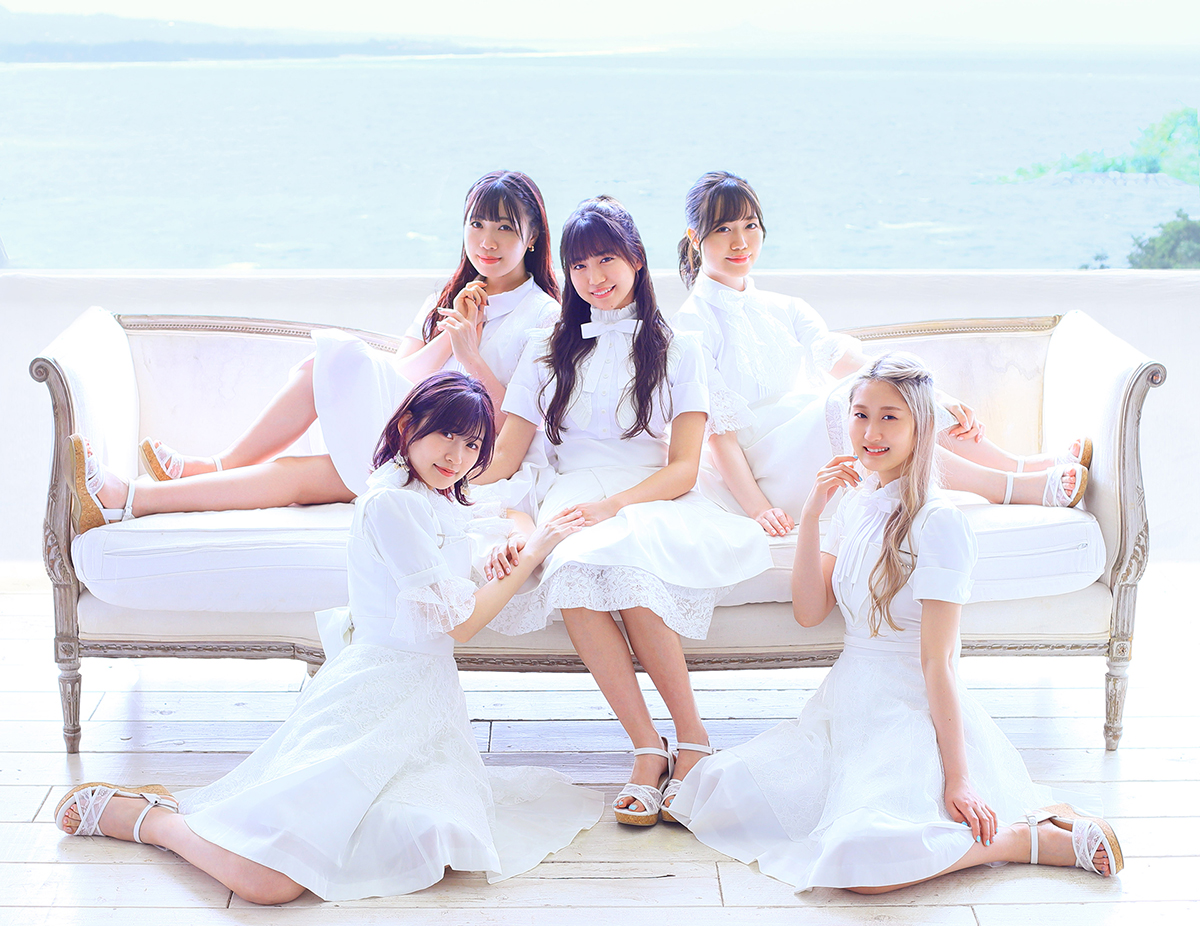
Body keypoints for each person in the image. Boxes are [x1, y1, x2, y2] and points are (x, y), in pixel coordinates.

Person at [56, 372, 602, 904]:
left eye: (472, 444)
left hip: (425, 703)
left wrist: (506, 546)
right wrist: (532, 551)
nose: (456, 455)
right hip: (375, 695)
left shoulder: (435, 497)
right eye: (446, 434)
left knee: (430, 839)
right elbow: (459, 624)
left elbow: (491, 525)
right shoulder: (391, 503)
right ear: (408, 424)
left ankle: (179, 820)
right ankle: (151, 821)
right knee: (270, 884)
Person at [667, 353, 1122, 892]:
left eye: (889, 417)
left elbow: (939, 663)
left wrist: (958, 778)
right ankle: (1013, 826)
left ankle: (1027, 839)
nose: (871, 432)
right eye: (861, 415)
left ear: (920, 427)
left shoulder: (939, 522)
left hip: (910, 709)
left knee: (859, 861)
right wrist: (812, 512)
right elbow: (810, 612)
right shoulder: (856, 503)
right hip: (846, 705)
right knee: (714, 791)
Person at [476, 197, 771, 826]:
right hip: (571, 491)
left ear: (636, 259)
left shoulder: (680, 347)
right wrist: (442, 484)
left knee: (631, 563)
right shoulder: (544, 347)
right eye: (579, 266)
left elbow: (685, 467)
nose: (593, 277)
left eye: (606, 260)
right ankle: (646, 746)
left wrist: (613, 506)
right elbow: (507, 454)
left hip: (651, 489)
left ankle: (692, 739)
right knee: (573, 569)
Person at [71, 170, 560, 532]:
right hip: (408, 433)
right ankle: (185, 477)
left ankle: (135, 495)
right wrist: (448, 335)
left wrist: (471, 357)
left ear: (533, 236)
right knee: (320, 373)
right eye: (477, 224)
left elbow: (512, 430)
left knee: (295, 474)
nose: (487, 241)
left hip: (456, 457)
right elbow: (399, 379)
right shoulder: (446, 297)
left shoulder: (542, 317)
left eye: (504, 229)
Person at [673, 170, 1091, 537]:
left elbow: (847, 363)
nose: (741, 242)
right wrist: (759, 508)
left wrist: (937, 397)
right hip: (770, 468)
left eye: (750, 225)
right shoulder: (691, 324)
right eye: (723, 229)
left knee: (889, 380)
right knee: (853, 402)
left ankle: (1021, 466)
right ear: (695, 237)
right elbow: (718, 436)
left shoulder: (786, 308)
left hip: (811, 436)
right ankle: (1010, 488)